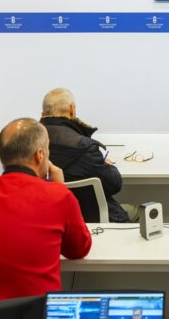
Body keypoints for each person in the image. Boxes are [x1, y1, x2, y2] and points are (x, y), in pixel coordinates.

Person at [0, 118, 92, 302]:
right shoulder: (58, 196)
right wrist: (60, 188)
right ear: (40, 155)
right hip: (36, 317)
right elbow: (79, 249)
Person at [40, 88, 137, 223]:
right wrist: (106, 165)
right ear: (72, 110)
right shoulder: (85, 147)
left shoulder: (31, 147)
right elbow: (114, 185)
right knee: (136, 210)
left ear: (42, 114)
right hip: (94, 220)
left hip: (50, 220)